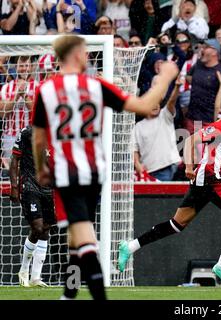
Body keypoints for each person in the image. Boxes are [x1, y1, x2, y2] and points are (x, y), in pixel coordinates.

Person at [32, 35, 179, 300]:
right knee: (76, 240)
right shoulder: (95, 86)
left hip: (67, 173)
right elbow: (145, 106)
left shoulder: (47, 90)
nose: (88, 55)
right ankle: (69, 294)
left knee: (84, 238)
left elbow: (39, 136)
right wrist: (166, 77)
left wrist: (42, 167)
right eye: (84, 51)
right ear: (75, 54)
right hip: (95, 171)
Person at [118, 93, 221, 287]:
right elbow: (191, 140)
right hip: (209, 178)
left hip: (207, 179)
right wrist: (190, 166)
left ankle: (130, 246)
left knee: (177, 224)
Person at [10, 125, 55, 288]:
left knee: (46, 228)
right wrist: (14, 186)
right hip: (30, 185)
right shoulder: (27, 132)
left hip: (49, 188)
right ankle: (23, 270)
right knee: (37, 227)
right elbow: (14, 159)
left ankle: (36, 277)